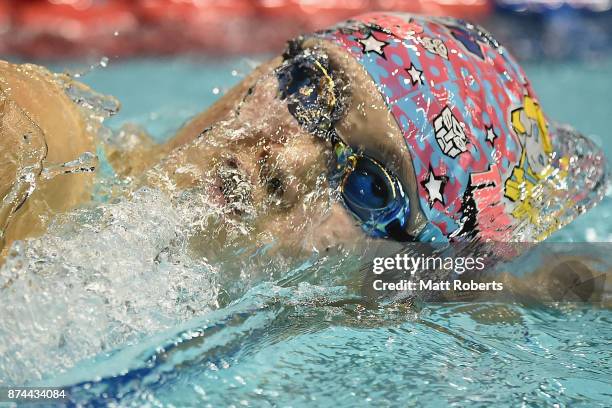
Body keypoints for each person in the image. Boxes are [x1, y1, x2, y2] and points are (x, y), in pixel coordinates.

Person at [0, 13, 607, 277]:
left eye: (370, 187)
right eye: (312, 88)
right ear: (264, 65)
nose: (287, 162)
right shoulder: (46, 143)